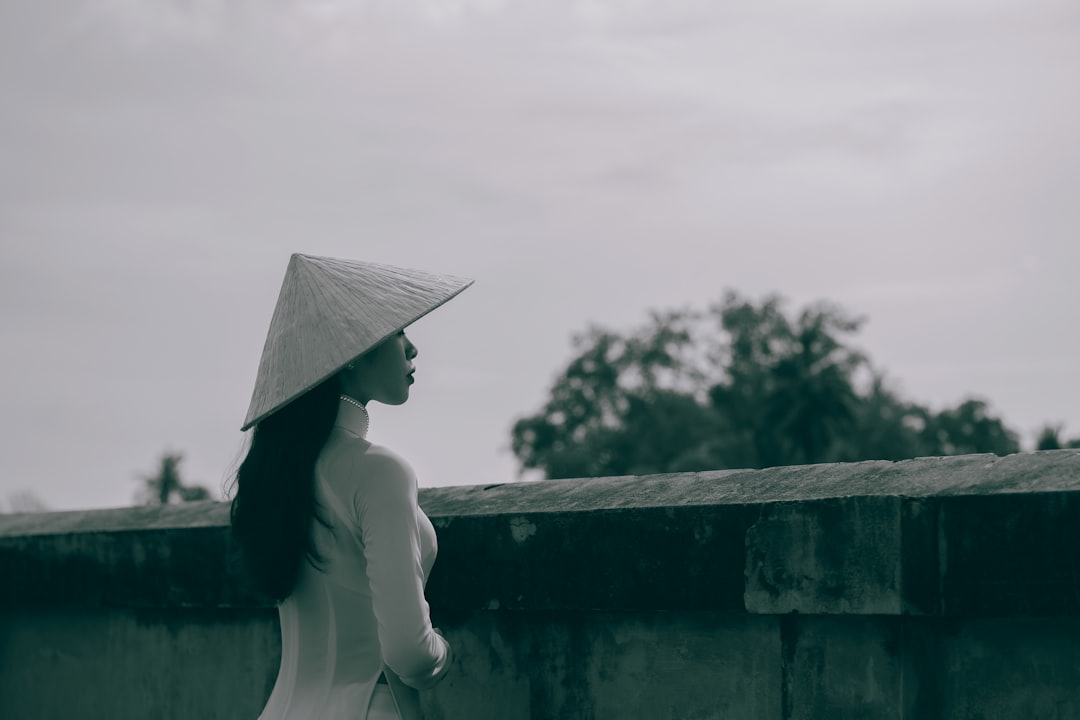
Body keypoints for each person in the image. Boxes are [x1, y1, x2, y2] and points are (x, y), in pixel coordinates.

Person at [230, 254, 473, 720]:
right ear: (354, 352)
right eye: (399, 331)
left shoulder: (277, 473)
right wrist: (445, 651)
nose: (412, 348)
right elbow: (409, 652)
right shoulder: (380, 472)